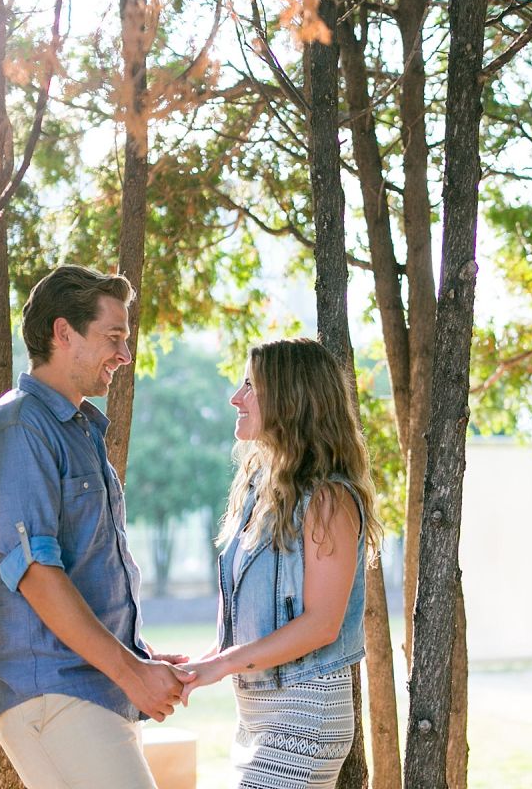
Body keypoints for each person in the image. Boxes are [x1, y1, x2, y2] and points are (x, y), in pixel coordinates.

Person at [0, 264, 192, 789]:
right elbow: (37, 576)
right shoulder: (20, 428)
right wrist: (133, 674)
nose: (125, 355)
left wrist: (138, 654)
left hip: (92, 690)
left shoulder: (77, 428)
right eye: (113, 337)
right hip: (53, 695)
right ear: (63, 332)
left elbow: (83, 569)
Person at [179, 338, 383, 789]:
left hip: (305, 714)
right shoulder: (257, 490)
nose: (236, 397)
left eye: (251, 385)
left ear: (289, 399)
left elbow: (320, 625)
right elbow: (254, 626)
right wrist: (196, 666)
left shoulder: (329, 499)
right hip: (256, 716)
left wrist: (224, 663)